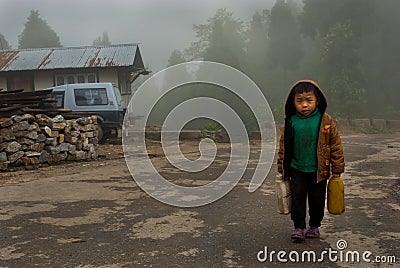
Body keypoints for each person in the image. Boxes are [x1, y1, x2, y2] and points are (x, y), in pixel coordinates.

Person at [277, 80, 345, 242]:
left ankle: (314, 225)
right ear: (293, 103)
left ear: (317, 101)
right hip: (297, 169)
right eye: (300, 101)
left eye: (309, 100)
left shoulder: (326, 121)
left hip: (318, 171)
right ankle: (298, 227)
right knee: (298, 198)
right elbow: (284, 146)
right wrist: (281, 166)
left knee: (317, 200)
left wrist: (337, 169)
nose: (305, 105)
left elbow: (335, 145)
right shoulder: (291, 121)